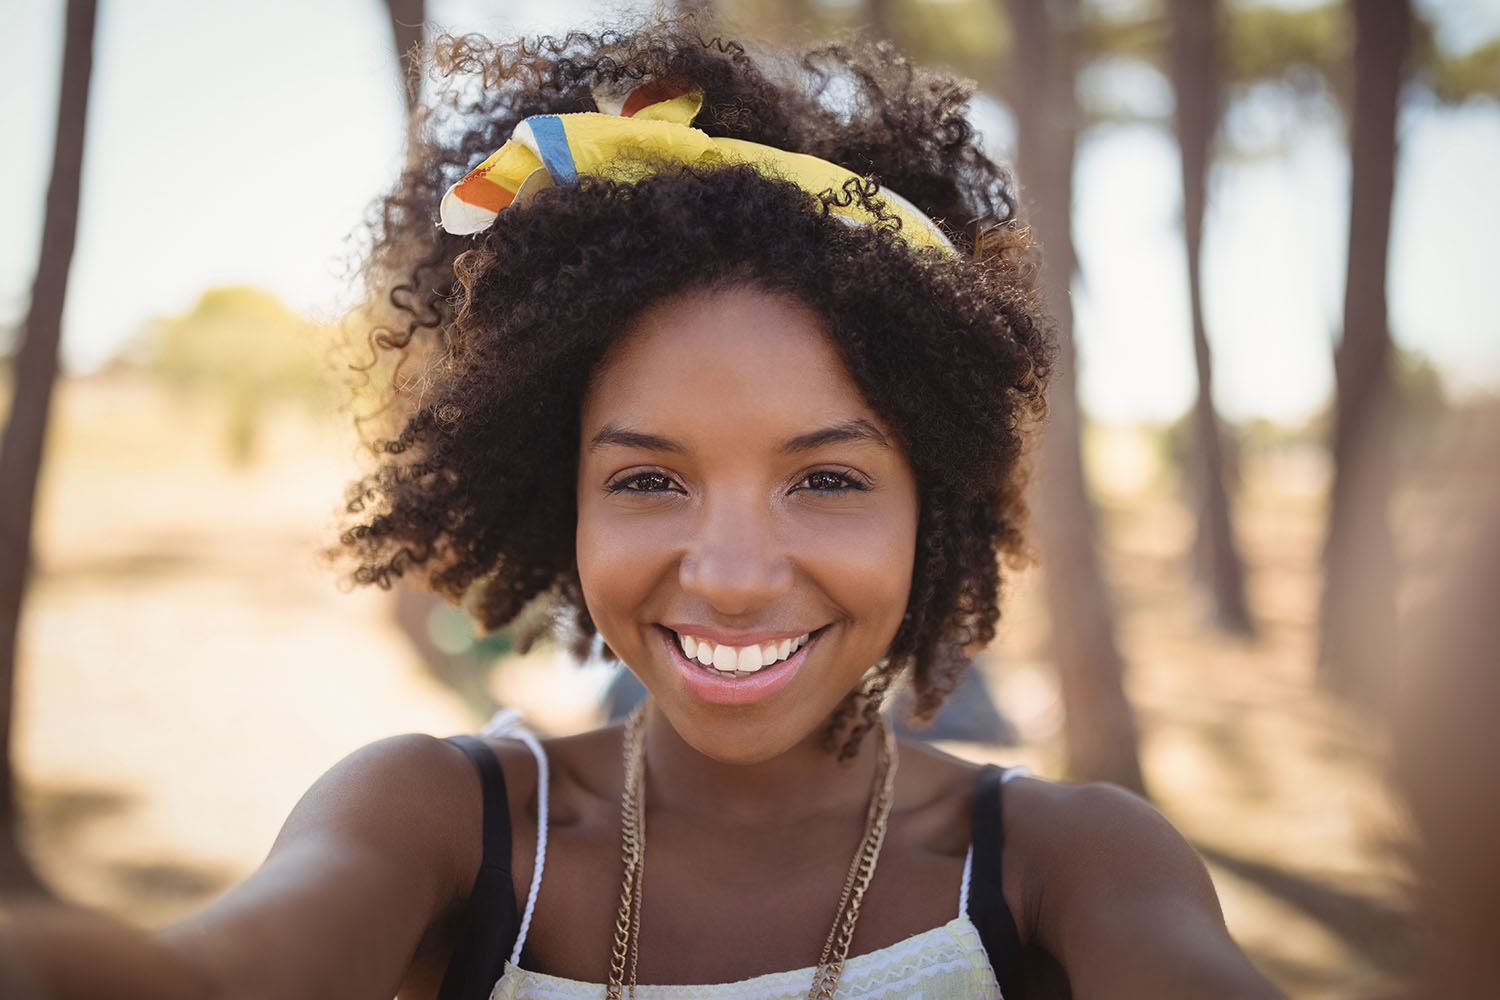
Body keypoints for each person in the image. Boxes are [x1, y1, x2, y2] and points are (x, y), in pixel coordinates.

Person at [7, 17, 1282, 1000]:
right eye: (648, 479)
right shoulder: (445, 826)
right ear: (553, 491)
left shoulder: (1063, 868)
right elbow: (223, 976)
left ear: (928, 501)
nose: (729, 573)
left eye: (828, 478)